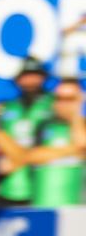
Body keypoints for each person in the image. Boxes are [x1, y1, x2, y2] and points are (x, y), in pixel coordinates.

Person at [0, 55, 54, 205]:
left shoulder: (55, 104)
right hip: (9, 184)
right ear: (18, 80)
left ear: (43, 78)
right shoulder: (5, 108)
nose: (30, 81)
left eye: (35, 76)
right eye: (26, 76)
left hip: (46, 183)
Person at [27, 79, 86, 207]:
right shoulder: (44, 125)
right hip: (43, 206)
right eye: (59, 98)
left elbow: (82, 145)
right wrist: (72, 150)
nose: (63, 103)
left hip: (78, 209)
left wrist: (76, 114)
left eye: (70, 98)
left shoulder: (82, 125)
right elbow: (31, 157)